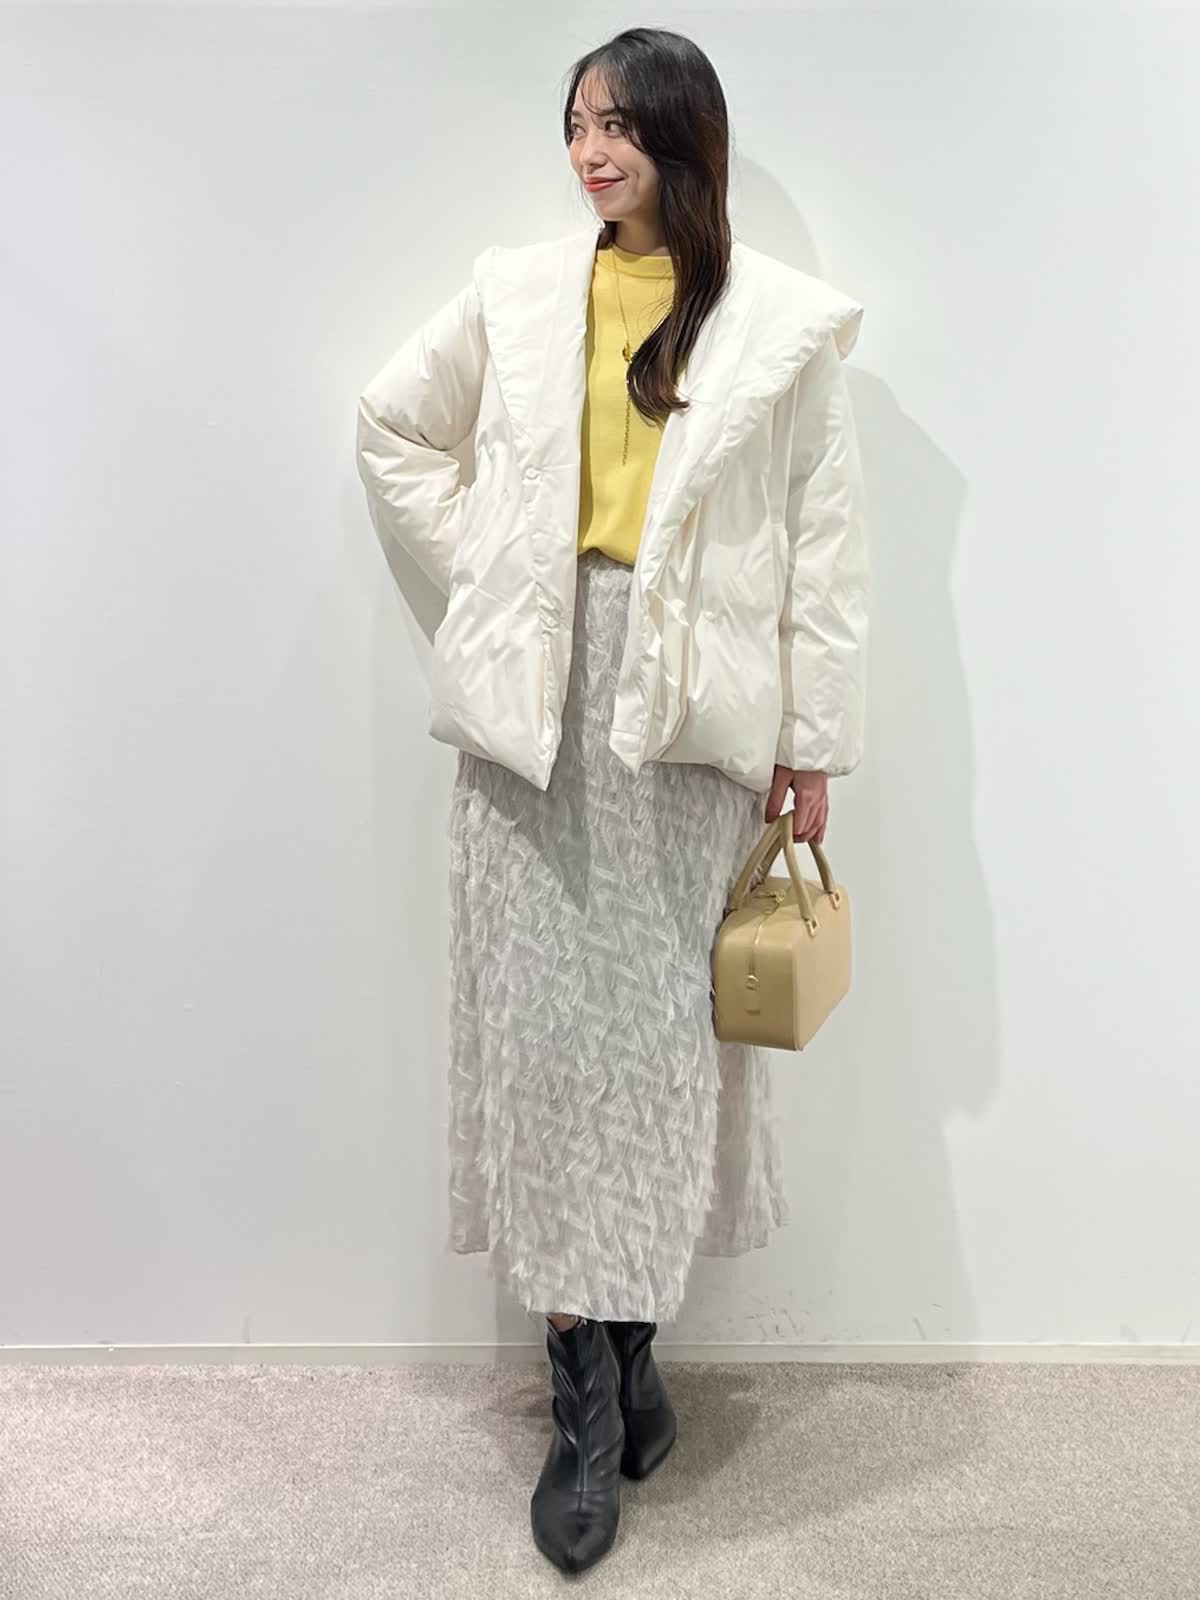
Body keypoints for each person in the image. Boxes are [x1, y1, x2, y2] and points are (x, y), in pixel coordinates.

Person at [354, 25, 868, 1577]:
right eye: (578, 123)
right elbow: (391, 426)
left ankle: (631, 1355)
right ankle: (590, 1396)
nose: (592, 151)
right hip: (538, 709)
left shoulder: (776, 323)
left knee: (651, 1053)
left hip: (687, 720)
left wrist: (812, 744)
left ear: (683, 137)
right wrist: (501, 568)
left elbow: (824, 546)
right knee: (542, 1043)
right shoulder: (518, 291)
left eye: (622, 125)